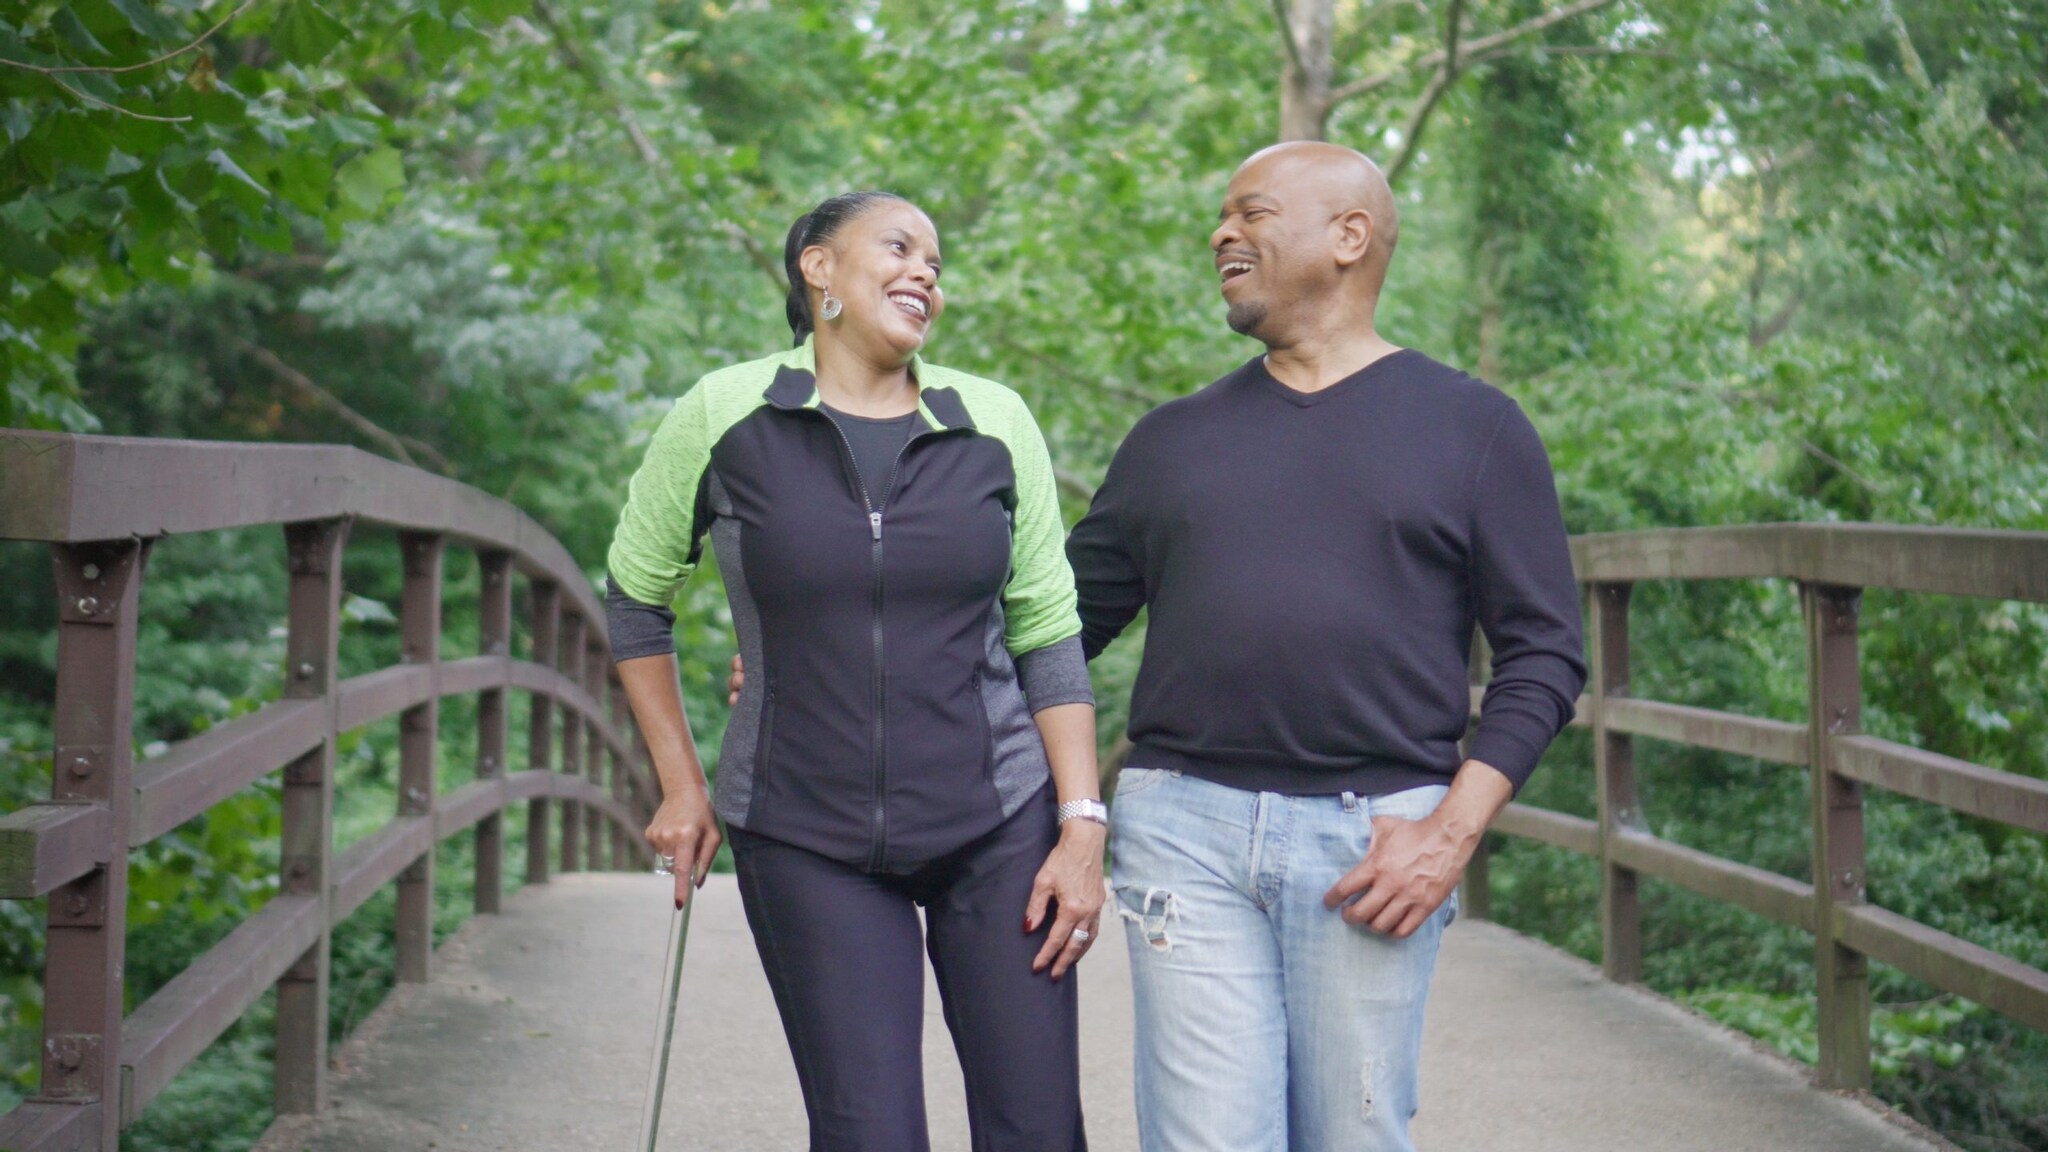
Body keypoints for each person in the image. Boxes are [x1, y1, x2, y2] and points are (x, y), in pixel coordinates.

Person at [1064, 142, 1587, 1151]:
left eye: (1250, 212)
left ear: (1348, 236)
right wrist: (839, 667)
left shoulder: (1473, 429)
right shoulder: (1169, 439)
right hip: (1183, 827)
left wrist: (1448, 834)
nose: (1221, 233)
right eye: (1222, 217)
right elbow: (1049, 633)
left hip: (1377, 841)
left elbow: (1543, 657)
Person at [606, 190, 1104, 1152]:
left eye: (938, 265)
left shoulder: (992, 420)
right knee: (869, 1133)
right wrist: (681, 784)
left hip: (996, 821)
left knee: (1039, 1130)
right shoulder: (726, 412)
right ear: (818, 267)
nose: (926, 273)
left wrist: (1080, 826)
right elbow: (635, 599)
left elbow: (1047, 631)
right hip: (803, 829)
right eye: (900, 246)